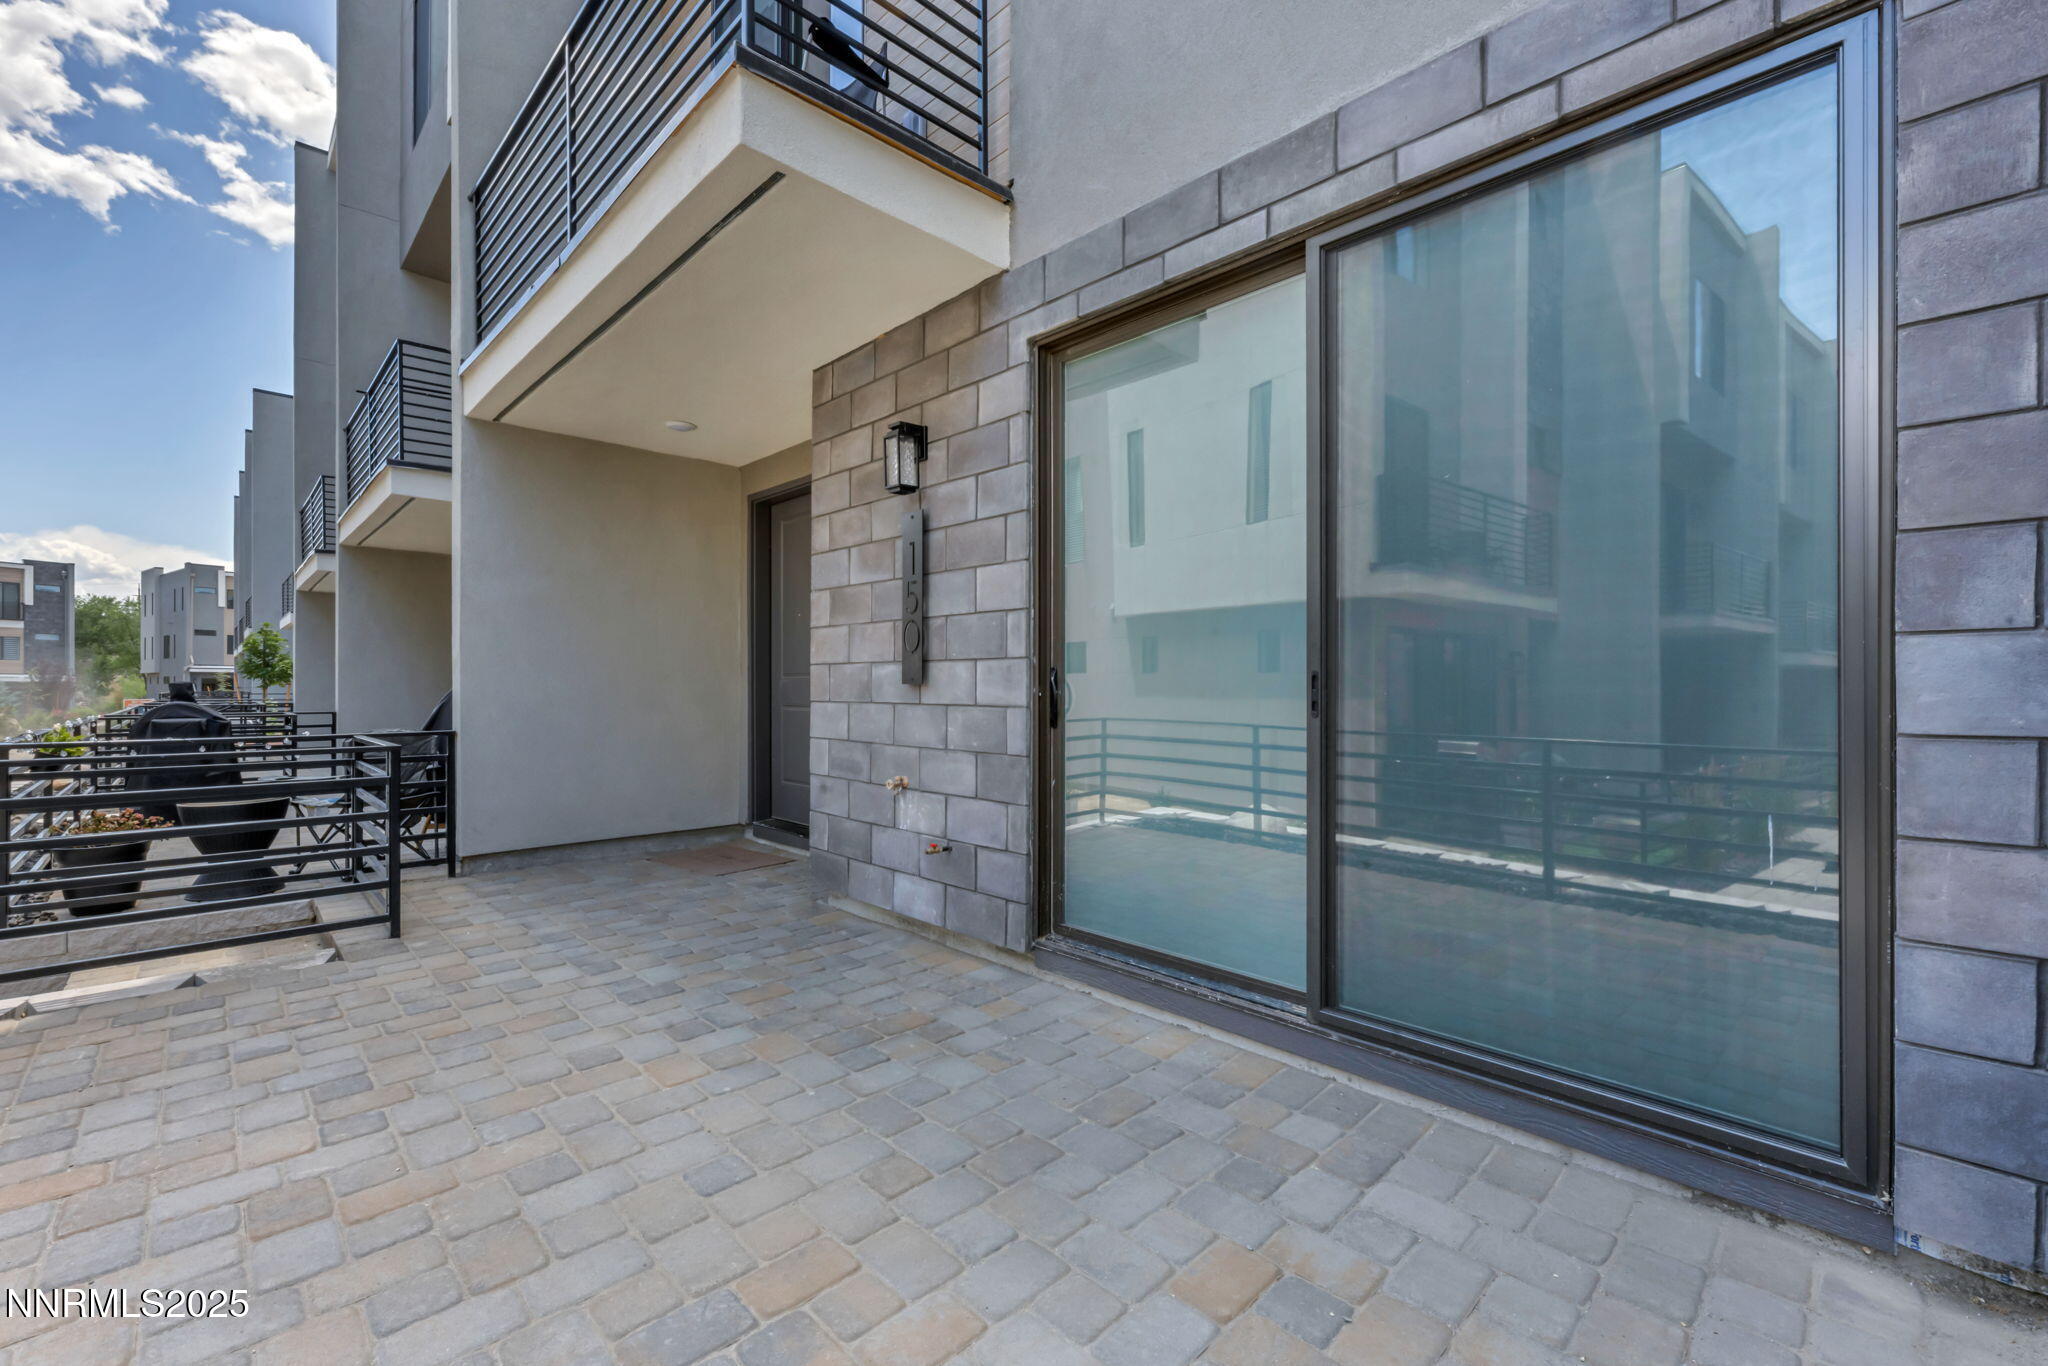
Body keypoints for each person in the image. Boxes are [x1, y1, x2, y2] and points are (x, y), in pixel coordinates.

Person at [127, 682, 239, 821]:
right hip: (198, 774)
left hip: (157, 774)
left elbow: (136, 734)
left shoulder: (155, 714)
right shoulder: (205, 714)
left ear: (171, 693)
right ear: (192, 693)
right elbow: (223, 728)